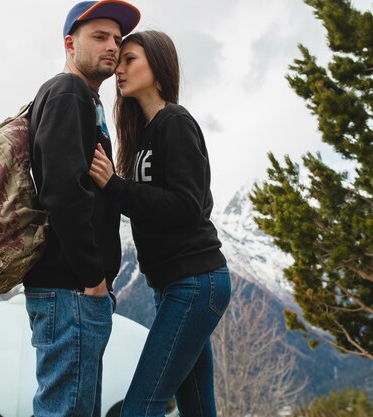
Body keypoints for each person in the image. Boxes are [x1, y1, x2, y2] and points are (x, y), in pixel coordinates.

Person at [89, 30, 231, 417]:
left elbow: (188, 205)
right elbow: (152, 204)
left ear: (158, 64)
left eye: (129, 59)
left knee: (140, 406)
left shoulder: (175, 122)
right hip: (173, 286)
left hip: (195, 281)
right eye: (118, 61)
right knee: (197, 408)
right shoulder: (142, 135)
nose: (120, 69)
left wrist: (117, 186)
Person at [22, 2, 140, 416]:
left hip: (73, 291)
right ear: (70, 44)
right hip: (71, 289)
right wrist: (93, 278)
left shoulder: (80, 98)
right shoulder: (69, 93)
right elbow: (63, 194)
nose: (112, 46)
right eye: (100, 36)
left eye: (117, 39)